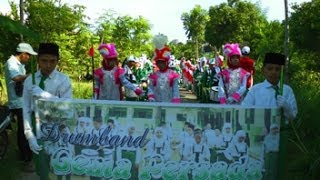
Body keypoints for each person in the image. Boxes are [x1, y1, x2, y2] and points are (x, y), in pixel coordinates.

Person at [23, 43, 72, 179]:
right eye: (44, 60)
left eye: (52, 61)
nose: (48, 65)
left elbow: (66, 106)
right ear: (38, 60)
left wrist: (45, 96)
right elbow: (26, 109)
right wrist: (29, 134)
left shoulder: (63, 80)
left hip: (56, 124)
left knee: (58, 161)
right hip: (36, 123)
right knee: (41, 165)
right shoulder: (29, 81)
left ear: (57, 61)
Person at [4, 42, 37, 172]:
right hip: (17, 102)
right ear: (23, 54)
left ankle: (23, 155)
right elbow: (16, 77)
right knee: (25, 131)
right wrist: (31, 75)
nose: (29, 58)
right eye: (28, 55)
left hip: (22, 101)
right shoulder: (11, 63)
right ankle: (27, 161)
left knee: (24, 130)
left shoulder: (20, 65)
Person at [241, 52, 297, 120]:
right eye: (270, 69)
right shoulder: (255, 90)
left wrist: (286, 106)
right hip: (259, 129)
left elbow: (293, 116)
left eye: (277, 69)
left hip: (282, 129)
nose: (273, 72)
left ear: (282, 72)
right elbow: (244, 111)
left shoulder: (287, 90)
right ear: (263, 70)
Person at [147, 34, 181, 103]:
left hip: (169, 104)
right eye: (158, 62)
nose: (160, 64)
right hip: (156, 104)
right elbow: (151, 88)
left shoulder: (173, 75)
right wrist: (151, 96)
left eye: (162, 62)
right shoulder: (154, 75)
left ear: (167, 62)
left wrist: (176, 101)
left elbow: (175, 90)